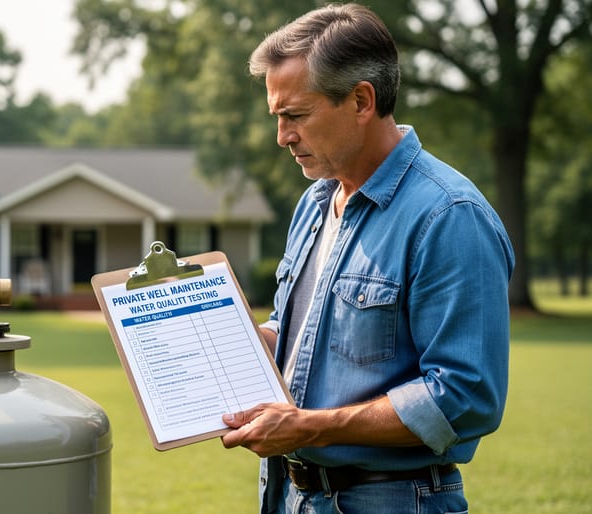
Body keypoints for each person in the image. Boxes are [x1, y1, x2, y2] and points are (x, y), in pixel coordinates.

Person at [220, 4, 515, 514]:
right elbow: (300, 337)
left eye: (296, 115)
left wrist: (311, 426)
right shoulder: (314, 204)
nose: (282, 137)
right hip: (290, 496)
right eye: (277, 117)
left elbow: (465, 398)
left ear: (360, 100)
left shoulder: (448, 216)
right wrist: (225, 338)